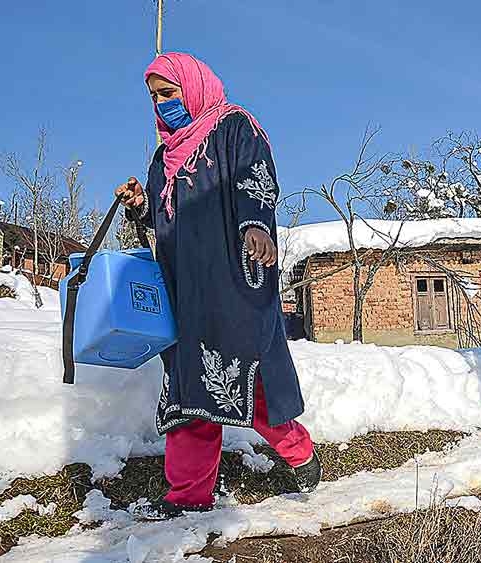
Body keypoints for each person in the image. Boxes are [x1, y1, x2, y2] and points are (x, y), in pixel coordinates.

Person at [116, 53, 321, 520]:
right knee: (190, 386)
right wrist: (140, 207)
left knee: (246, 374)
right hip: (185, 290)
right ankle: (187, 496)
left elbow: (256, 178)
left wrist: (256, 227)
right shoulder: (163, 158)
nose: (162, 104)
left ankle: (297, 450)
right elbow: (166, 220)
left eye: (168, 92)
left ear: (193, 86)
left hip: (232, 275)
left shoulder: (233, 127)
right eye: (154, 98)